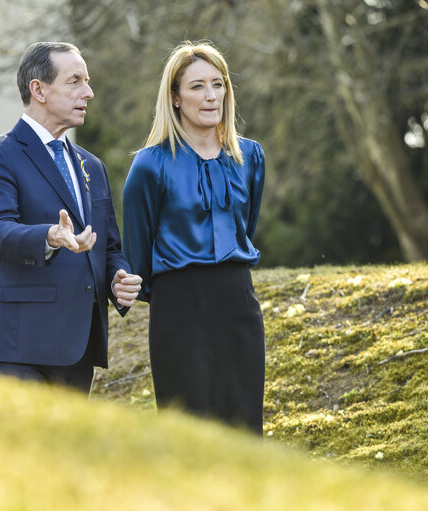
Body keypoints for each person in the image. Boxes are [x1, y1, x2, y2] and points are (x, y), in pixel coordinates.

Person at [0, 41, 142, 394]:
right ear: (39, 90)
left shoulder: (91, 165)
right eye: (74, 81)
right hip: (17, 347)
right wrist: (50, 235)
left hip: (77, 348)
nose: (88, 92)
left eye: (87, 81)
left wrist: (117, 279)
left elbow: (107, 248)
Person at [122, 41, 266, 433]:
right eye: (197, 86)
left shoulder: (250, 157)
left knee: (244, 427)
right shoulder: (149, 165)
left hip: (238, 301)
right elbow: (136, 253)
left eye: (218, 84)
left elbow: (245, 228)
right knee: (188, 430)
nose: (211, 96)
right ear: (175, 98)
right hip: (178, 310)